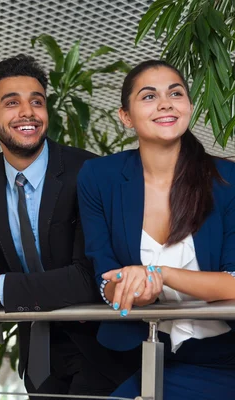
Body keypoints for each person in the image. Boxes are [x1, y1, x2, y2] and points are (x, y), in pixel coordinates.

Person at [0, 54, 136, 398]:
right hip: (38, 355)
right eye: (12, 103)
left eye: (37, 101)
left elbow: (89, 277)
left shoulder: (89, 173)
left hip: (102, 351)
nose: (28, 112)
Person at [77, 59, 235, 399]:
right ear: (126, 117)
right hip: (146, 351)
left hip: (226, 356)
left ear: (189, 107)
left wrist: (158, 273)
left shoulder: (227, 180)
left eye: (175, 93)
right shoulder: (98, 177)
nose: (165, 103)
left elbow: (234, 284)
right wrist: (130, 292)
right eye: (149, 96)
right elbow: (104, 274)